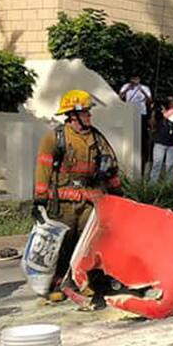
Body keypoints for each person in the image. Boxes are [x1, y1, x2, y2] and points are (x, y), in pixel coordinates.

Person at [34, 90, 122, 303]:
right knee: (62, 245)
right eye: (86, 113)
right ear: (73, 115)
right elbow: (43, 168)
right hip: (62, 204)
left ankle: (85, 282)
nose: (89, 117)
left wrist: (118, 192)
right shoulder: (55, 138)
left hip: (88, 202)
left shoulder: (96, 137)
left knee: (88, 243)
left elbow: (111, 165)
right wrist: (39, 200)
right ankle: (56, 284)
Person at [119, 74, 153, 167]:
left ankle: (141, 155)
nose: (135, 80)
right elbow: (120, 97)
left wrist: (142, 91)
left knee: (141, 135)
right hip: (129, 111)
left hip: (141, 112)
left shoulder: (144, 88)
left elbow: (150, 101)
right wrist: (128, 89)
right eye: (133, 78)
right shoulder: (126, 86)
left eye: (136, 79)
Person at [148, 96, 173, 183]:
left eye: (172, 101)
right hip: (160, 141)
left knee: (170, 165)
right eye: (169, 101)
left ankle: (168, 184)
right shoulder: (159, 113)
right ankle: (152, 184)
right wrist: (154, 112)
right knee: (157, 163)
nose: (171, 103)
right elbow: (152, 124)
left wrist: (167, 113)